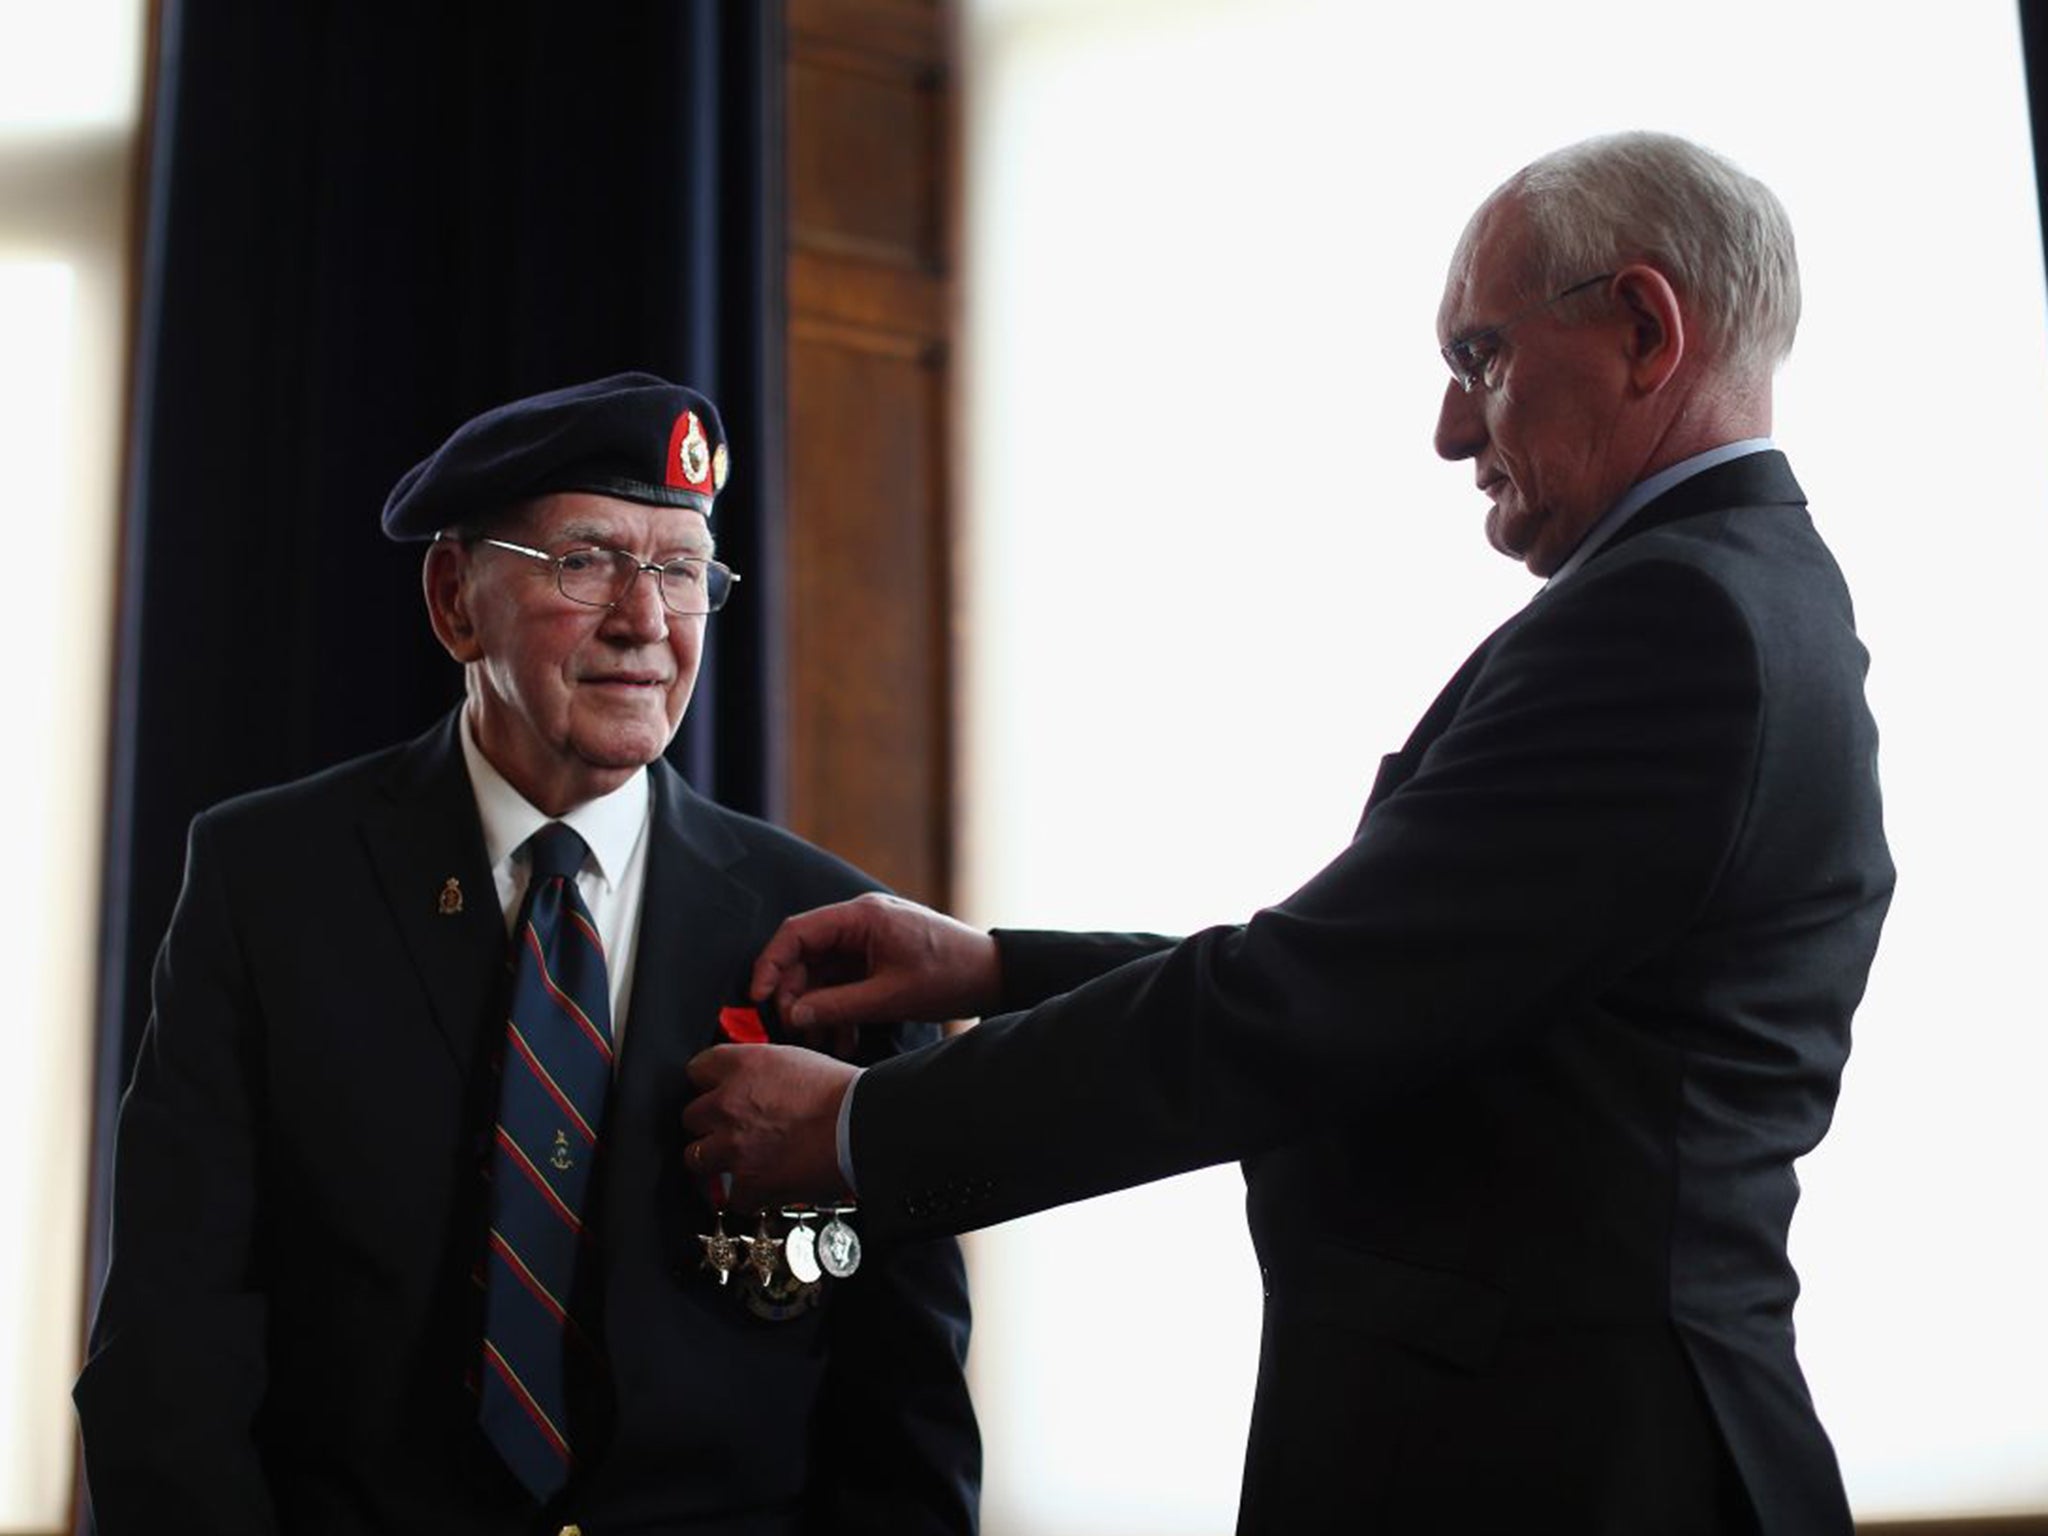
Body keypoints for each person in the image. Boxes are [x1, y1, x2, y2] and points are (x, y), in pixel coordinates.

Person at [680, 134, 1895, 1536]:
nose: (1450, 429)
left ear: (1641, 326)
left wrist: (862, 1132)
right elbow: (1390, 988)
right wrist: (991, 968)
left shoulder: (1672, 623)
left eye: (1480, 357)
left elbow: (1305, 1010)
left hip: (1568, 1470)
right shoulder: (1743, 597)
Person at [75, 375, 980, 1536]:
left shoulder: (832, 929)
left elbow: (904, 1404)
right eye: (588, 560)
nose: (646, 621)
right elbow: (170, 1344)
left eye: (681, 570)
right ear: (456, 600)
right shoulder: (269, 880)